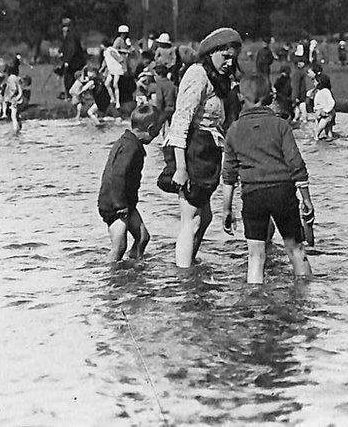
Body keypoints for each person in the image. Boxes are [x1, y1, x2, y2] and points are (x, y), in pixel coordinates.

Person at [220, 75, 314, 283]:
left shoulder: (234, 130)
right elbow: (296, 164)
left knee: (255, 255)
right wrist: (306, 199)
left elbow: (229, 175)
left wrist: (227, 209)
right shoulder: (280, 125)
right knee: (296, 250)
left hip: (253, 195)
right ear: (270, 97)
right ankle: (305, 300)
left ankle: (256, 304)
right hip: (283, 192)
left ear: (240, 96)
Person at [161, 27, 241, 269]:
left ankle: (189, 265)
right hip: (190, 150)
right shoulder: (197, 75)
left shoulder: (222, 80)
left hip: (208, 152)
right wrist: (181, 168)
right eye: (224, 56)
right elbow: (181, 120)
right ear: (210, 53)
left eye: (232, 58)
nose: (229, 63)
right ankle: (183, 276)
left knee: (204, 217)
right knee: (192, 219)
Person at [98, 104, 161, 262]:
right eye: (158, 130)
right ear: (151, 128)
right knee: (119, 247)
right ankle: (111, 276)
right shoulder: (130, 147)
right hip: (114, 205)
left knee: (143, 238)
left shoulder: (130, 142)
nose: (158, 134)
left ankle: (134, 268)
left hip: (125, 203)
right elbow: (117, 175)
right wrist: (120, 204)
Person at [59, 18, 86, 100]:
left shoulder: (72, 37)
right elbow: (65, 47)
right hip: (71, 62)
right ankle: (69, 95)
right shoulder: (67, 37)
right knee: (68, 78)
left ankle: (70, 96)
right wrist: (61, 52)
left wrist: (67, 61)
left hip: (74, 63)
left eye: (66, 26)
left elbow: (72, 50)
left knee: (69, 79)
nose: (64, 29)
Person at [2, 62, 24, 134]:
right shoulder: (16, 77)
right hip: (20, 98)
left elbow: (13, 89)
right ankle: (19, 128)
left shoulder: (11, 78)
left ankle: (15, 130)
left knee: (13, 116)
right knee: (17, 115)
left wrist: (9, 97)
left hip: (15, 99)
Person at [313, 72, 336, 140]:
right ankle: (329, 137)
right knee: (327, 130)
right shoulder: (318, 91)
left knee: (321, 126)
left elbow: (332, 102)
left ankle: (316, 135)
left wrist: (325, 110)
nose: (313, 82)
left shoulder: (325, 91)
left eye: (315, 81)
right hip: (320, 112)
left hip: (326, 113)